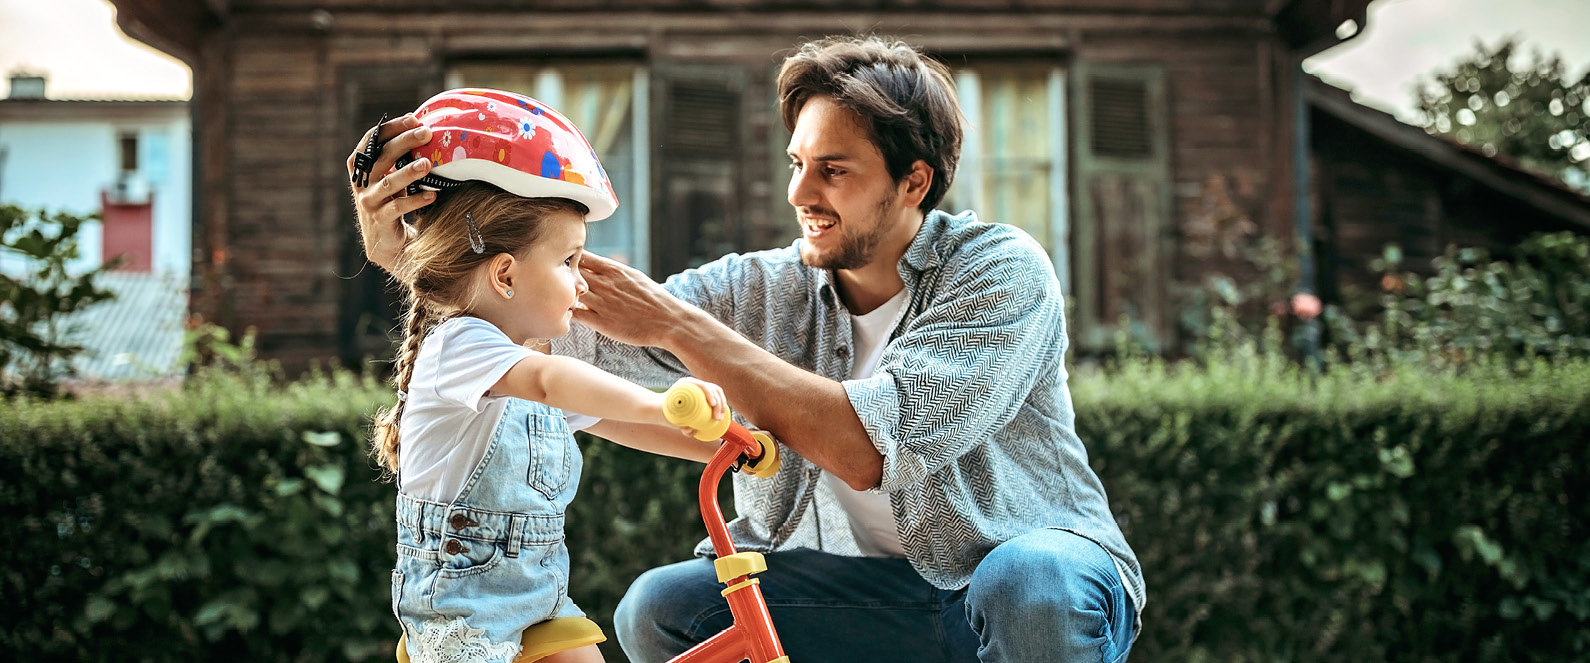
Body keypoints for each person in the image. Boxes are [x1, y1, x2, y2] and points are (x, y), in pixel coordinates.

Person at [352, 36, 1145, 663]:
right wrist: (424, 263)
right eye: (798, 163)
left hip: (1009, 582)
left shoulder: (999, 270)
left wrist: (677, 327)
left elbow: (868, 446)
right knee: (664, 609)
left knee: (1030, 582)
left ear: (913, 182)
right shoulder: (758, 287)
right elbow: (539, 329)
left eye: (833, 171)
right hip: (865, 599)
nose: (800, 194)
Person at [358, 88, 730, 663]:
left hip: (539, 600)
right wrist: (661, 403)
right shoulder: (460, 346)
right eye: (570, 261)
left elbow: (611, 419)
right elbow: (551, 381)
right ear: (505, 275)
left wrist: (722, 444)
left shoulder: (522, 358)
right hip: (461, 611)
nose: (583, 281)